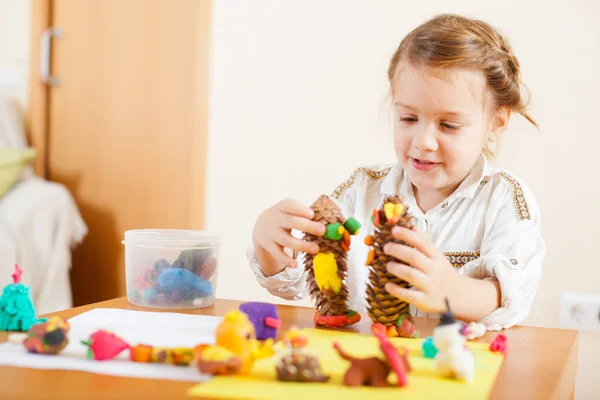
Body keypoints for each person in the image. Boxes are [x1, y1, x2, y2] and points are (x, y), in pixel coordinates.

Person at [246, 13, 546, 331]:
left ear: (496, 123)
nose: (423, 142)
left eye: (449, 125)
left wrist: (454, 291)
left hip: (455, 369)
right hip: (370, 367)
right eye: (408, 118)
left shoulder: (503, 198)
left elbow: (513, 294)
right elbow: (296, 283)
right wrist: (268, 243)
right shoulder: (361, 190)